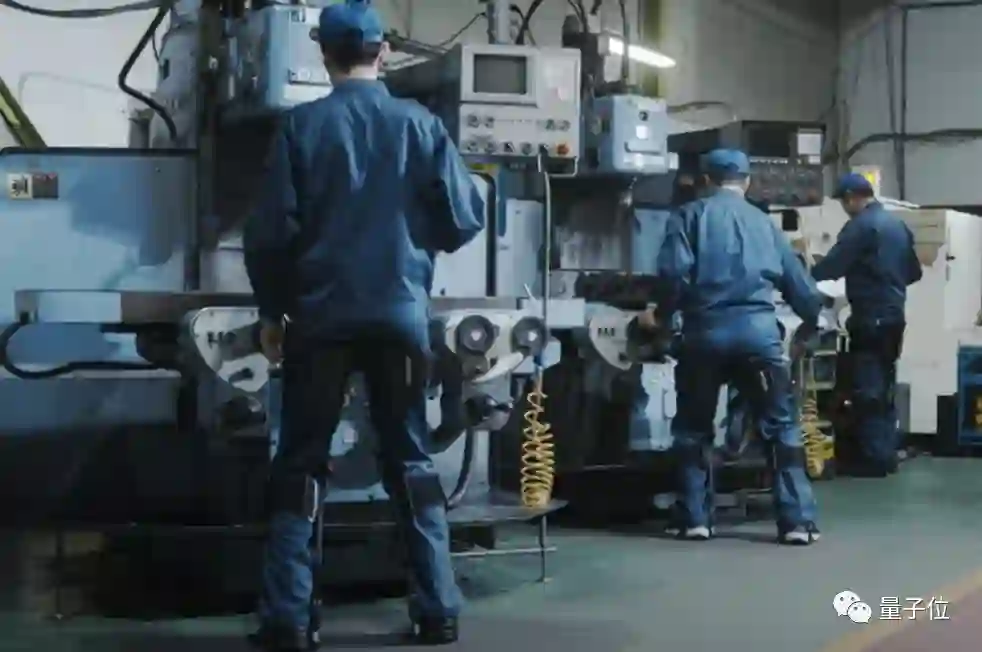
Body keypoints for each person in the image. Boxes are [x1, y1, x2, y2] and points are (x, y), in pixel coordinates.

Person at [242, 1, 486, 649]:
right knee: (410, 458)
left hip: (319, 321)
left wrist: (272, 311)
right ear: (384, 52)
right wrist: (412, 237)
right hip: (399, 320)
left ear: (323, 55)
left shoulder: (300, 127)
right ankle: (437, 609)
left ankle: (289, 620)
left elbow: (269, 235)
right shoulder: (420, 125)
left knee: (301, 463)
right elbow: (464, 218)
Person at [654, 148, 824, 545]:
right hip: (758, 339)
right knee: (780, 428)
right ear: (746, 182)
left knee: (694, 429)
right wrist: (813, 319)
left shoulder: (688, 216)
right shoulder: (765, 224)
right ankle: (797, 523)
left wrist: (660, 317)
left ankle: (695, 519)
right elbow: (799, 286)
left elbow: (673, 276)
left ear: (705, 180)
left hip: (703, 338)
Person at [812, 173, 922, 478]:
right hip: (894, 317)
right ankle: (885, 453)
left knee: (867, 389)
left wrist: (801, 275)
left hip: (869, 316)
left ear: (851, 198)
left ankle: (873, 459)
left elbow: (832, 267)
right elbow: (914, 272)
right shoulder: (898, 226)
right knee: (885, 385)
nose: (844, 208)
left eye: (843, 202)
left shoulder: (860, 227)